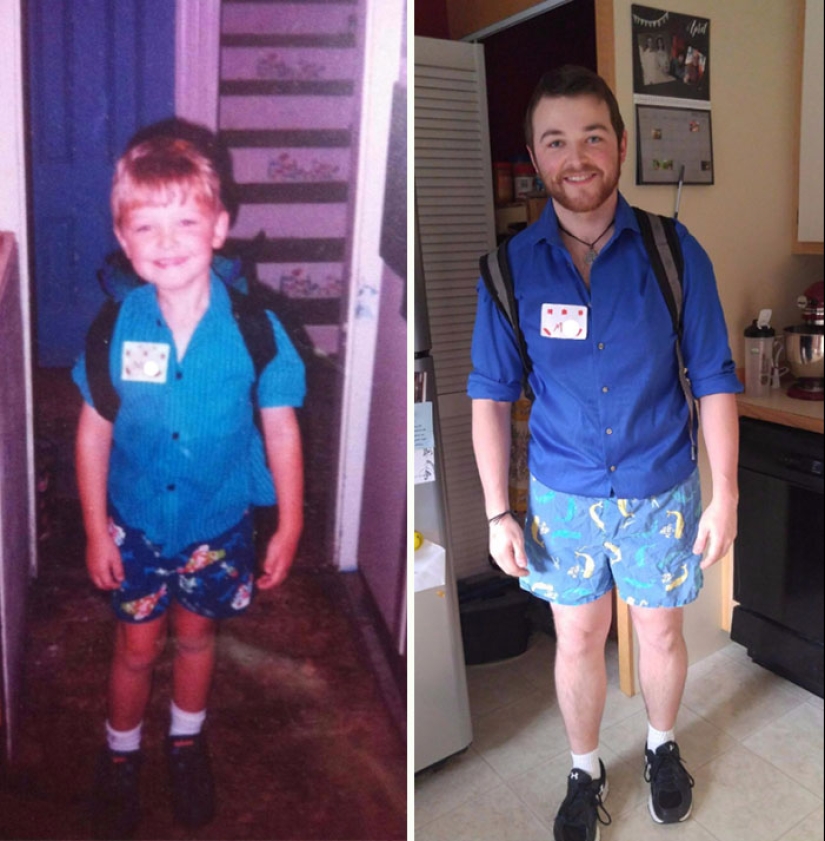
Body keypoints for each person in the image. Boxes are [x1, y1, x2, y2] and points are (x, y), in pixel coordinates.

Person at [468, 65, 741, 841]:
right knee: (578, 638)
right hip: (563, 495)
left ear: (619, 145)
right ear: (533, 154)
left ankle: (660, 746)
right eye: (556, 141)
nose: (576, 156)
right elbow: (488, 396)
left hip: (662, 486)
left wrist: (724, 493)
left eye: (592, 136)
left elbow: (715, 376)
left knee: (658, 632)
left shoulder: (673, 251)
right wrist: (496, 511)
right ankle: (583, 766)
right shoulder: (506, 270)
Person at [73, 134, 306, 837]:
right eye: (145, 225)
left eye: (184, 222)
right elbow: (93, 432)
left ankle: (184, 740)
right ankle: (120, 756)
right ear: (122, 235)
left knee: (197, 640)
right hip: (135, 526)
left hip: (217, 523)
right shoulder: (114, 326)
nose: (166, 242)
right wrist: (92, 528)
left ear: (219, 226)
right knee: (136, 648)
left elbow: (282, 431)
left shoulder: (256, 328)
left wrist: (289, 523)